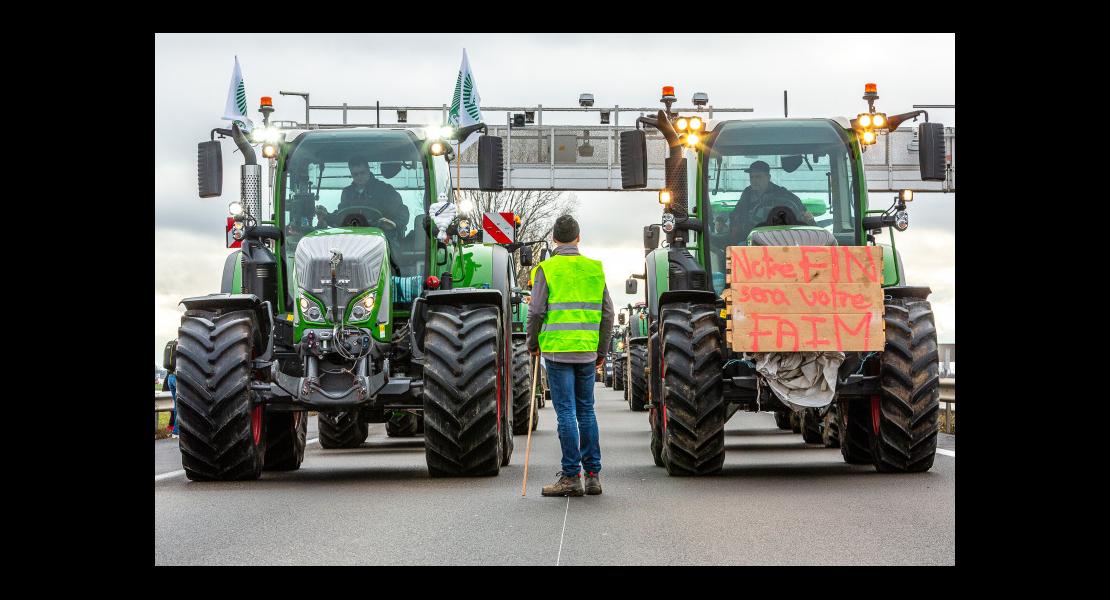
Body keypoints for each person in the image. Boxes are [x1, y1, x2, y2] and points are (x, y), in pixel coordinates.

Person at [527, 215, 615, 497]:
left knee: (565, 413)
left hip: (557, 351)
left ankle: (570, 477)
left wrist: (532, 342)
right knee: (586, 411)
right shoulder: (594, 269)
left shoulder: (547, 269)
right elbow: (608, 313)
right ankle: (593, 476)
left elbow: (537, 310)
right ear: (578, 238)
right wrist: (601, 350)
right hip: (587, 351)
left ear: (554, 239)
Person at [728, 160, 816, 243]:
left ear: (768, 177)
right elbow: (736, 213)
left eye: (758, 177)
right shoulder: (747, 194)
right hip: (751, 238)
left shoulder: (783, 194)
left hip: (779, 239)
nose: (754, 180)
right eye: (752, 177)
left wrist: (809, 220)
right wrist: (734, 227)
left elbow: (804, 216)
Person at [316, 159, 410, 233]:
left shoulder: (385, 190)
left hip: (382, 236)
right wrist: (326, 216)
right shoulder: (347, 193)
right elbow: (341, 216)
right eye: (355, 174)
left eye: (362, 173)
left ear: (368, 170)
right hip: (353, 238)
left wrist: (395, 224)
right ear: (351, 174)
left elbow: (402, 211)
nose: (359, 177)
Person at [163, 370, 178, 438]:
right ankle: (176, 432)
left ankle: (176, 431)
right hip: (175, 377)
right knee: (180, 406)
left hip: (170, 377)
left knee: (177, 406)